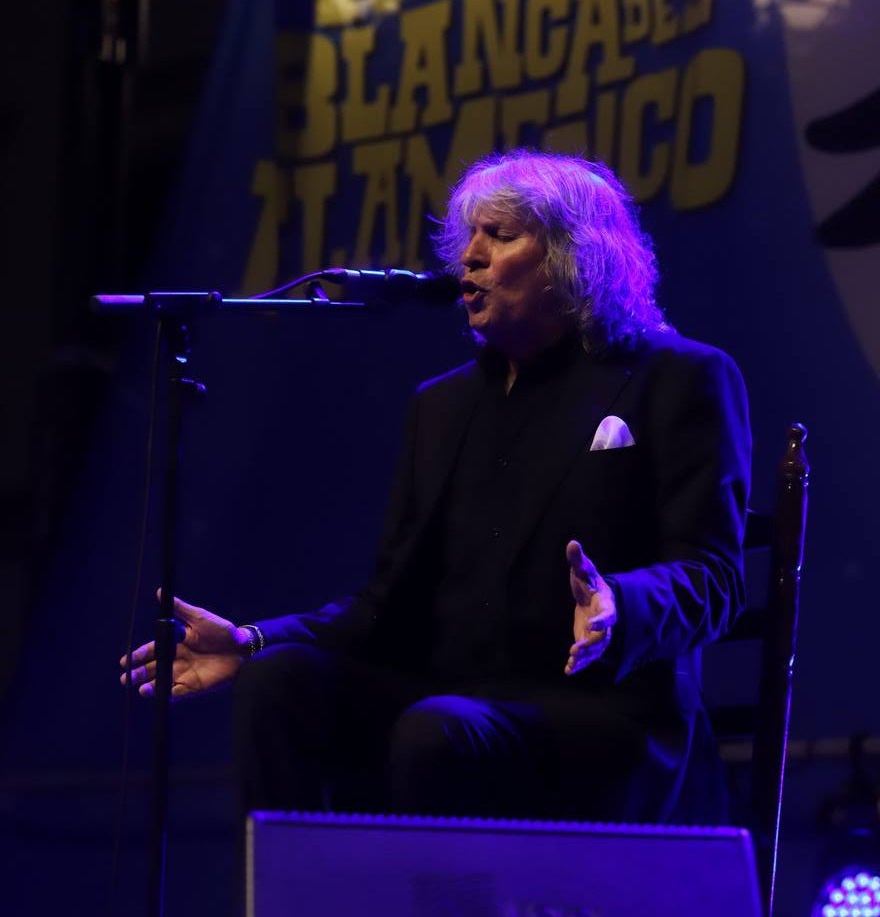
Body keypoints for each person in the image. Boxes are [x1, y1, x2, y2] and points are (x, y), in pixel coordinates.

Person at [122, 149, 750, 824]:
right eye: (468, 238)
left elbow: (715, 576)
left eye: (501, 236)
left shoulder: (679, 376)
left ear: (575, 258)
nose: (470, 257)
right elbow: (386, 605)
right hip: (449, 697)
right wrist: (254, 641)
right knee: (282, 685)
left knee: (435, 732)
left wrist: (620, 605)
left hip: (598, 713)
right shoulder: (441, 407)